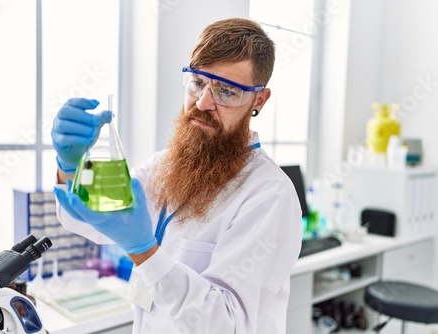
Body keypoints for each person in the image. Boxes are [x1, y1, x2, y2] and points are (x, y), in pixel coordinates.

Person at [52, 17, 303, 334]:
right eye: (198, 82)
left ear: (258, 100)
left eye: (226, 91)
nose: (202, 103)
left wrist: (145, 252)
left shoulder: (269, 196)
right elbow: (93, 217)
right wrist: (70, 166)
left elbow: (229, 324)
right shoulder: (165, 165)